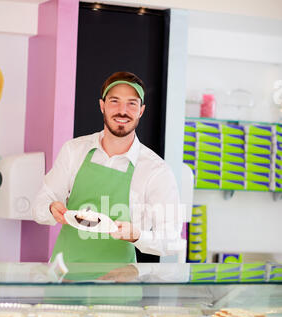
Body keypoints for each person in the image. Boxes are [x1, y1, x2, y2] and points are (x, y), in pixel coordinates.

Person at [32, 71, 184, 263]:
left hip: (118, 283)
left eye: (131, 103)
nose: (123, 110)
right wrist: (51, 208)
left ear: (141, 111)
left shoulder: (156, 171)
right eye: (114, 101)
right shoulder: (74, 150)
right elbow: (40, 205)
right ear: (102, 106)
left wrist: (137, 235)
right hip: (65, 278)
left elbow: (171, 241)